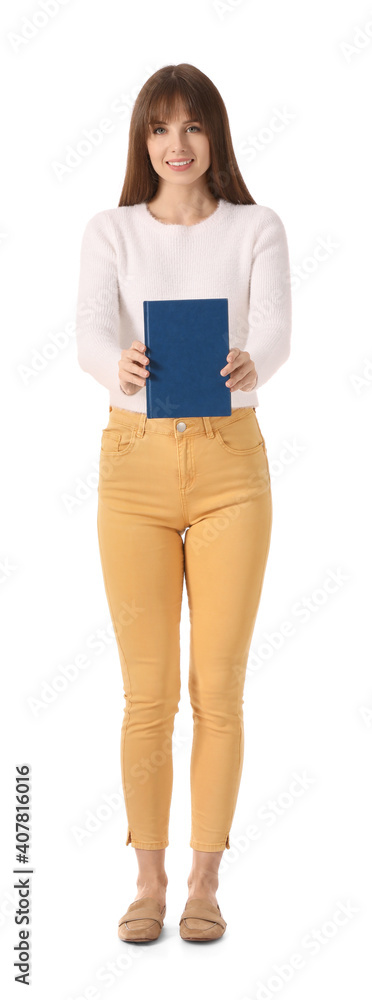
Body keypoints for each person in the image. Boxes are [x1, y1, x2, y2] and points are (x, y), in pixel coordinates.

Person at [75, 62, 292, 943]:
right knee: (146, 693)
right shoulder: (111, 230)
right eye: (161, 128)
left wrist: (252, 363)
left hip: (230, 465)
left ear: (216, 139)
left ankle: (206, 880)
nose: (177, 144)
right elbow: (89, 330)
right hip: (133, 467)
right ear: (142, 141)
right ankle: (148, 881)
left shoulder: (256, 226)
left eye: (193, 127)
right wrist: (114, 363)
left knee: (219, 688)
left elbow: (275, 328)